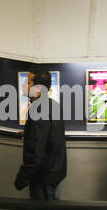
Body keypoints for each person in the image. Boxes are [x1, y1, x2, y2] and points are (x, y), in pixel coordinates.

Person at [14, 69, 67, 200]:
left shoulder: (37, 110)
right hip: (54, 171)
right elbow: (50, 134)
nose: (23, 85)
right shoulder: (53, 105)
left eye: (27, 82)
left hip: (43, 176)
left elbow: (36, 152)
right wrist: (29, 132)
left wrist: (22, 179)